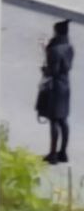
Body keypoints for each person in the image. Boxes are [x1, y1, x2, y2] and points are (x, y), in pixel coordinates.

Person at [39, 20, 74, 165]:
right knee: (63, 120)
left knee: (54, 120)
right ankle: (63, 152)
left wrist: (43, 69)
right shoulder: (69, 47)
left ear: (57, 32)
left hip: (54, 88)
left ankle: (53, 154)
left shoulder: (54, 50)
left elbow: (51, 71)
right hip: (65, 86)